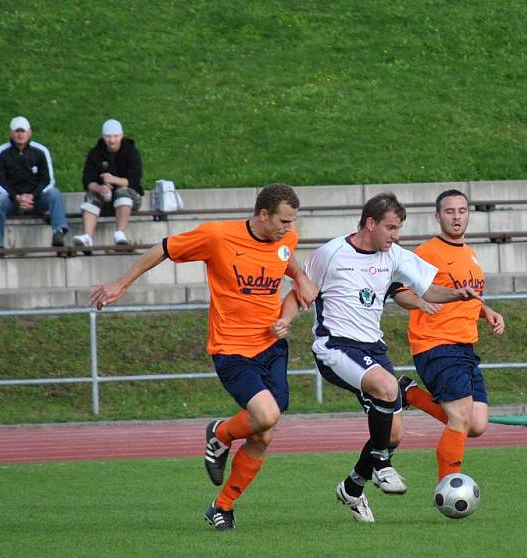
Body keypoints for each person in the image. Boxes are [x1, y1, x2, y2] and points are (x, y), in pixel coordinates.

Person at [88, 183, 318, 530]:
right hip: (231, 349)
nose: (290, 228)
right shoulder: (217, 236)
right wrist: (121, 284)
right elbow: (163, 249)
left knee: (264, 433)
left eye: (292, 222)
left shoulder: (285, 239)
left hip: (272, 348)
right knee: (266, 414)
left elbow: (286, 261)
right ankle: (221, 434)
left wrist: (301, 279)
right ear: (263, 214)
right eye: (284, 221)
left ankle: (222, 507)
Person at [295, 192, 478, 523]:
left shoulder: (393, 255)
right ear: (370, 223)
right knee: (386, 388)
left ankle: (353, 487)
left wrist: (455, 294)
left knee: (393, 433)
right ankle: (382, 464)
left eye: (399, 229)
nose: (396, 236)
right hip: (335, 346)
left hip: (373, 348)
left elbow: (426, 288)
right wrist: (282, 319)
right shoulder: (331, 253)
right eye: (391, 228)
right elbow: (302, 290)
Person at [389, 189, 505, 483]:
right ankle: (449, 488)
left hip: (466, 346)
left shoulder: (471, 254)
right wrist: (420, 302)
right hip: (436, 344)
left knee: (476, 424)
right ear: (437, 216)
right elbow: (399, 292)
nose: (456, 217)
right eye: (450, 211)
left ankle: (410, 393)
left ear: (468, 214)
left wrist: (486, 310)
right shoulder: (427, 253)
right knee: (461, 416)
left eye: (462, 211)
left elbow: (465, 297)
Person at [0, 116, 68, 252]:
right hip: (12, 201)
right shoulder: (0, 152)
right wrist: (17, 197)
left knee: (55, 194)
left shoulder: (41, 151)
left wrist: (32, 196)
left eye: (23, 131)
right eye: (17, 131)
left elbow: (48, 180)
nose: (20, 134)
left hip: (36, 201)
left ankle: (58, 232)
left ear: (29, 132)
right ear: (11, 133)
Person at [74, 119, 143, 250]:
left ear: (122, 135)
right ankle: (87, 237)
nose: (112, 140)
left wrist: (113, 180)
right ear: (103, 136)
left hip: (129, 198)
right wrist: (100, 188)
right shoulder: (95, 153)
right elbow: (87, 180)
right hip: (104, 198)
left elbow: (134, 180)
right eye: (108, 136)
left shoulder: (132, 152)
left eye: (115, 136)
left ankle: (120, 233)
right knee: (91, 195)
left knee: (122, 192)